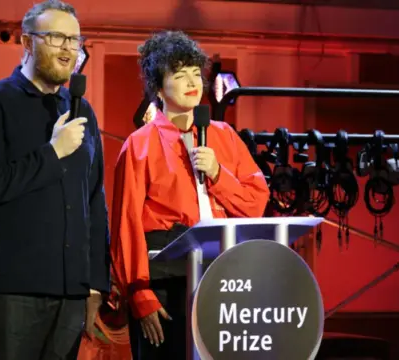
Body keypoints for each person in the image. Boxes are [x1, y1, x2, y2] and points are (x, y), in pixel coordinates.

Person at [0, 1, 110, 359]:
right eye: (57, 37)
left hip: (71, 293)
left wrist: (94, 285)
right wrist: (53, 152)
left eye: (75, 40)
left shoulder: (81, 109)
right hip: (12, 290)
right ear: (27, 43)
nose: (69, 49)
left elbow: (93, 201)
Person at [109, 31, 270, 359]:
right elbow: (126, 227)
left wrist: (217, 174)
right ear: (157, 88)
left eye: (196, 73)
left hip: (221, 276)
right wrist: (140, 294)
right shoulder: (139, 145)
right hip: (165, 283)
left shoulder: (223, 136)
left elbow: (256, 201)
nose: (192, 82)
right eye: (179, 75)